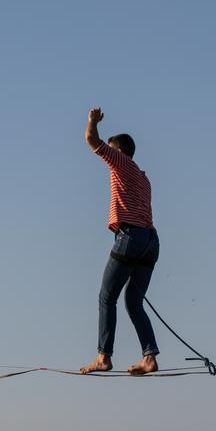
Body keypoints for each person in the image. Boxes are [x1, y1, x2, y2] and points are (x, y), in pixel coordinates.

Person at [80, 107, 160, 376]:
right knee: (134, 302)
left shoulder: (122, 163)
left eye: (112, 151)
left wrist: (92, 121)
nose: (108, 157)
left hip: (131, 238)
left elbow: (93, 141)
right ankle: (149, 357)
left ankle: (104, 356)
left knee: (106, 297)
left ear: (120, 151)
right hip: (151, 242)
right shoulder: (143, 177)